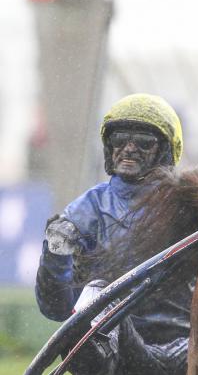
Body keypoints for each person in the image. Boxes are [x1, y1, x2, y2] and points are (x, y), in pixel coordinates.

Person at [35, 93, 189, 375]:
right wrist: (54, 255)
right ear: (109, 147)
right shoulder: (87, 208)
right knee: (93, 297)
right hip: (115, 347)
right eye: (120, 140)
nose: (128, 149)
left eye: (143, 142)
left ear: (166, 151)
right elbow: (56, 308)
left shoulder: (191, 202)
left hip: (184, 344)